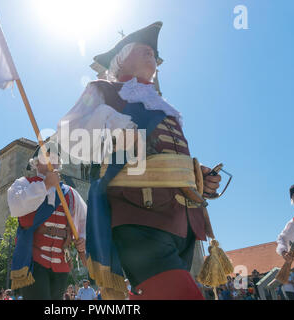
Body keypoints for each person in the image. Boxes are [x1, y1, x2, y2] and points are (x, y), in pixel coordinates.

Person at [55, 21, 221, 300]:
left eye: (154, 54)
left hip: (181, 221)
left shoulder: (167, 110)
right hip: (137, 217)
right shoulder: (103, 91)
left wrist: (198, 177)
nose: (152, 56)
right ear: (121, 58)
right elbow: (69, 134)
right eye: (144, 50)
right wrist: (113, 123)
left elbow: (165, 157)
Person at [7, 146, 87, 300]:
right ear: (36, 163)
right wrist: (45, 186)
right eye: (47, 158)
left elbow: (84, 221)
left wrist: (82, 240)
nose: (52, 162)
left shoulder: (70, 192)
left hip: (61, 264)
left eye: (56, 159)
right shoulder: (24, 183)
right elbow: (16, 207)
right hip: (33, 261)